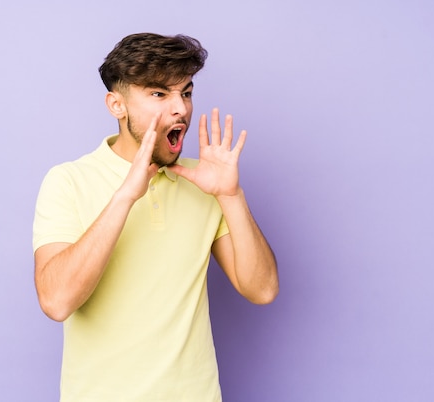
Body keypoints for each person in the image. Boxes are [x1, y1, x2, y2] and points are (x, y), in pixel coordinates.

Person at [32, 32, 279, 402]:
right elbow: (56, 301)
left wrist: (231, 195)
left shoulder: (207, 183)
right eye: (159, 94)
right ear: (117, 105)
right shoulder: (68, 181)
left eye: (186, 92)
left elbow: (261, 290)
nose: (179, 108)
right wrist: (125, 197)